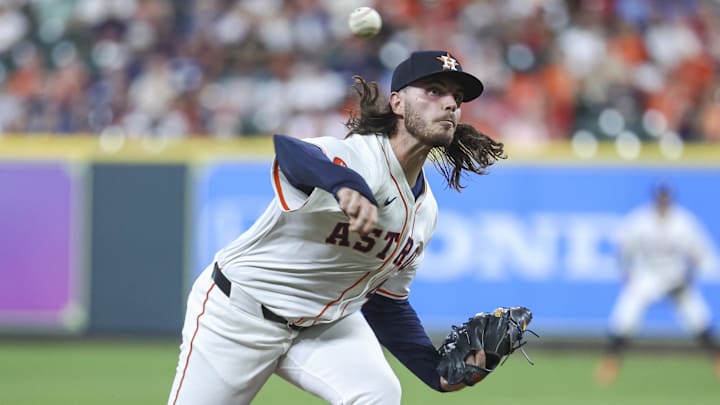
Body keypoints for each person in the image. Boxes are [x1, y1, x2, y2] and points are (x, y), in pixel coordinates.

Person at [167, 50, 506, 404]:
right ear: (397, 103)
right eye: (434, 91)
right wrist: (345, 185)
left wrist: (435, 372)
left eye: (457, 97)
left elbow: (385, 303)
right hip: (239, 314)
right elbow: (290, 151)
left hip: (324, 325)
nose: (450, 103)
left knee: (378, 394)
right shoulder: (361, 157)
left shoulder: (425, 212)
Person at [595, 184, 720, 386]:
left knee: (698, 317)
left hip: (675, 277)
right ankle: (611, 361)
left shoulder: (683, 222)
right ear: (654, 200)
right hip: (648, 276)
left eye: (665, 199)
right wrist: (626, 273)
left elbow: (699, 253)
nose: (662, 203)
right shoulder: (641, 220)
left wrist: (689, 275)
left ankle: (717, 360)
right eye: (659, 199)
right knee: (625, 313)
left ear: (670, 200)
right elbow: (622, 246)